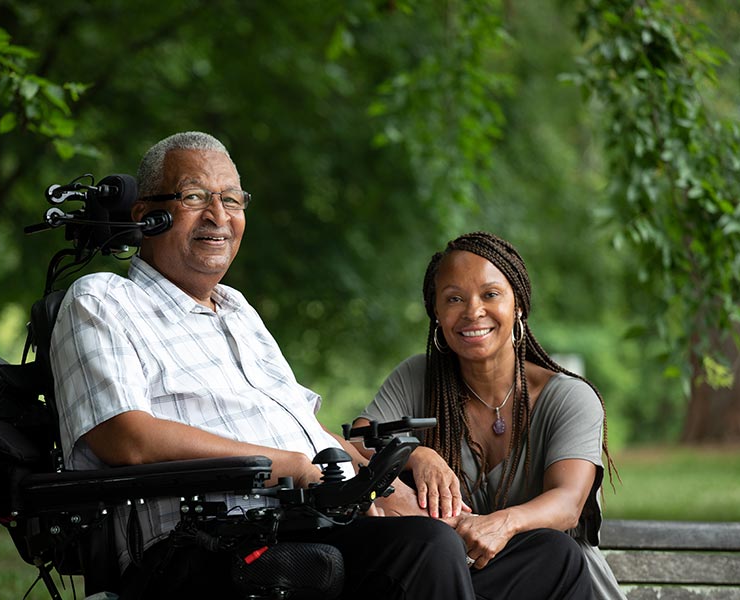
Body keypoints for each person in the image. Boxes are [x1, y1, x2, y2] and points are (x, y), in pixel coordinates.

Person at [50, 131, 591, 599]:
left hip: (309, 520)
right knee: (425, 549)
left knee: (549, 556)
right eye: (196, 197)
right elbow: (125, 437)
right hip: (210, 544)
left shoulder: (237, 310)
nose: (219, 217)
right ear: (148, 214)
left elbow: (308, 431)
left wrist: (382, 481)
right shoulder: (101, 300)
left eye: (233, 200)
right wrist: (289, 464)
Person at [354, 231, 624, 599]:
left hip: (552, 581)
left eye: (490, 294)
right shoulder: (419, 378)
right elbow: (358, 440)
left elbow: (567, 504)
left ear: (518, 305)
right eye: (454, 298)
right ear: (436, 311)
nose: (472, 311)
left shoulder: (568, 397)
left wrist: (502, 524)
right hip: (465, 582)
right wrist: (418, 455)